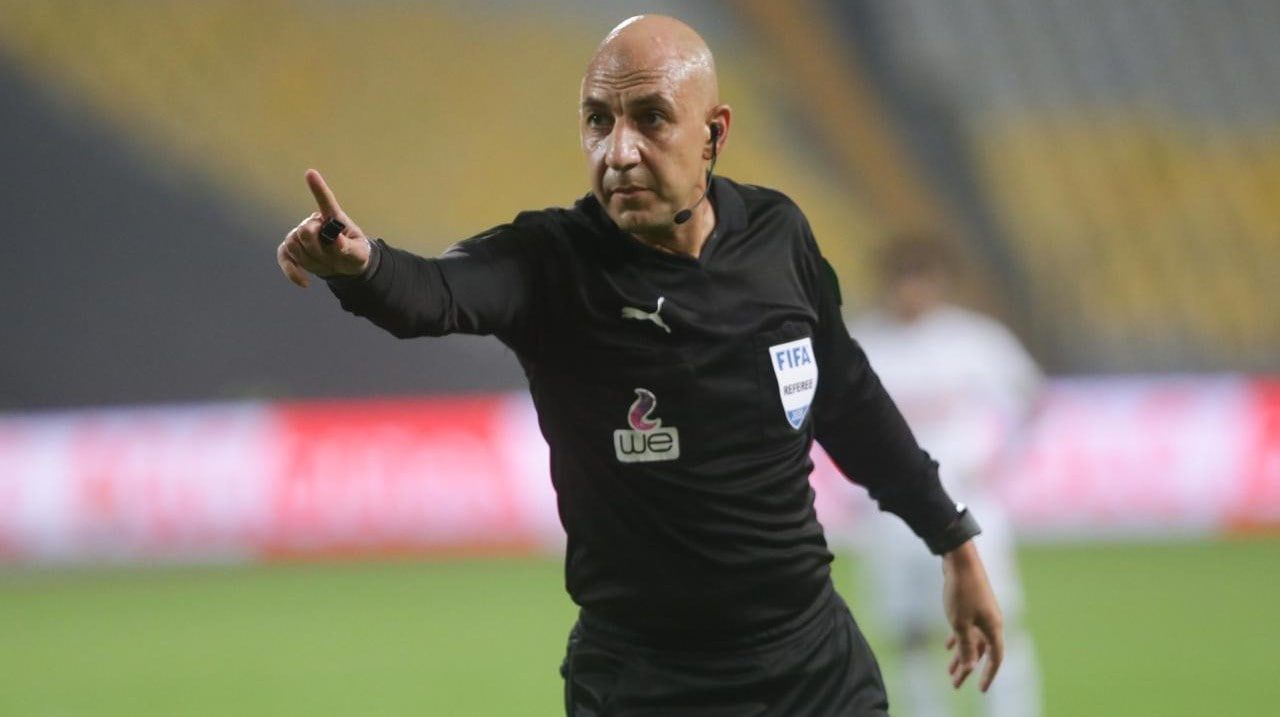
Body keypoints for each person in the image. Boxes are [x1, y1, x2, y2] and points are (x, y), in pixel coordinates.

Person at [276, 15, 1004, 716]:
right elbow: (434, 294)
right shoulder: (551, 262)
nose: (619, 151)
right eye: (598, 121)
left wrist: (953, 540)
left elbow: (847, 398)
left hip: (813, 671)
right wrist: (362, 266)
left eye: (651, 118)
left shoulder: (778, 236)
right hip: (648, 685)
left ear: (714, 133)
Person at [847, 235, 1043, 717]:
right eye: (902, 279)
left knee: (992, 618)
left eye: (921, 278)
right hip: (891, 515)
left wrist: (998, 459)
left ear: (940, 283)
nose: (911, 290)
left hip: (967, 506)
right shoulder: (862, 344)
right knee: (908, 631)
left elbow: (1032, 398)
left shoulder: (973, 340)